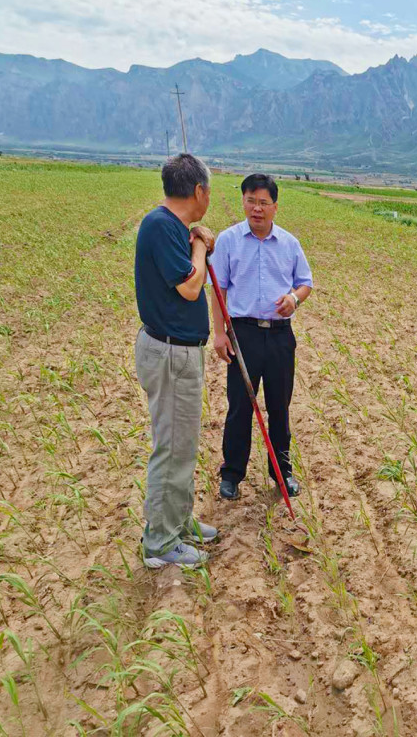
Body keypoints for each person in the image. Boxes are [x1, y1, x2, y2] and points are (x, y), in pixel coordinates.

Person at [134, 153, 218, 568]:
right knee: (172, 448)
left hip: (176, 350)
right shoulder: (162, 225)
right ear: (198, 191)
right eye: (210, 192)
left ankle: (178, 520)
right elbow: (189, 286)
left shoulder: (170, 226)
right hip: (169, 353)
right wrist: (200, 244)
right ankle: (160, 544)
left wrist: (193, 237)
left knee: (183, 445)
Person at [210, 173, 313, 500]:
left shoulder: (289, 243)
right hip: (242, 335)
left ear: (275, 207)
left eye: (263, 203)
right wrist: (218, 334)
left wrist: (294, 299)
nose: (256, 208)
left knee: (279, 407)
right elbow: (218, 289)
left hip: (280, 337)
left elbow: (306, 282)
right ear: (243, 202)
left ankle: (282, 473)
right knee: (239, 405)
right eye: (251, 201)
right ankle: (232, 474)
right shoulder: (228, 240)